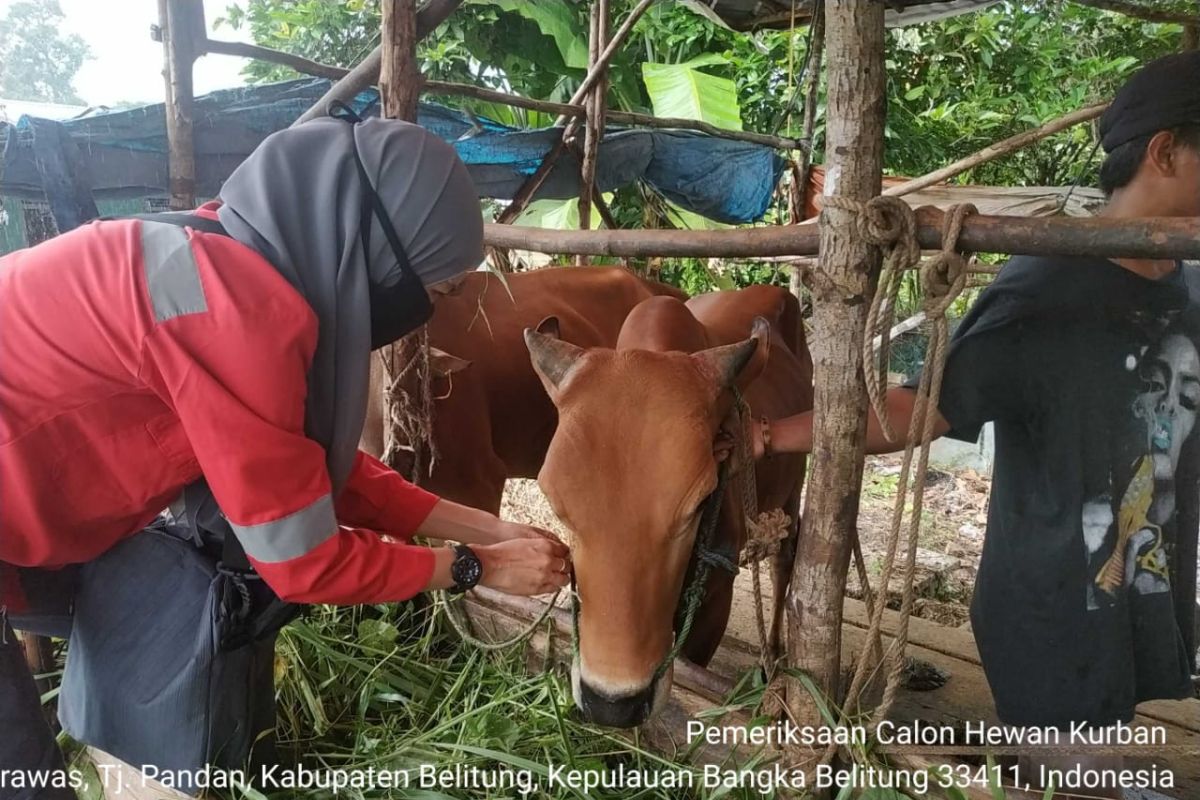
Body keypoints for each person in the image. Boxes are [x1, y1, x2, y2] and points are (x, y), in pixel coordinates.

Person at [0, 114, 570, 796]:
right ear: (378, 252)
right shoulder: (233, 310)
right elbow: (302, 562)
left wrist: (486, 527)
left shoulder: (223, 252)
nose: (427, 311)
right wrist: (473, 568)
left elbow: (300, 466)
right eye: (436, 291)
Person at [755, 53, 1200, 798]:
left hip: (1144, 587)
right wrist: (773, 436)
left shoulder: (1188, 279)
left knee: (1116, 751)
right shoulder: (1047, 281)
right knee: (1081, 776)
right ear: (1165, 151)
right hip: (1055, 610)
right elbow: (925, 404)